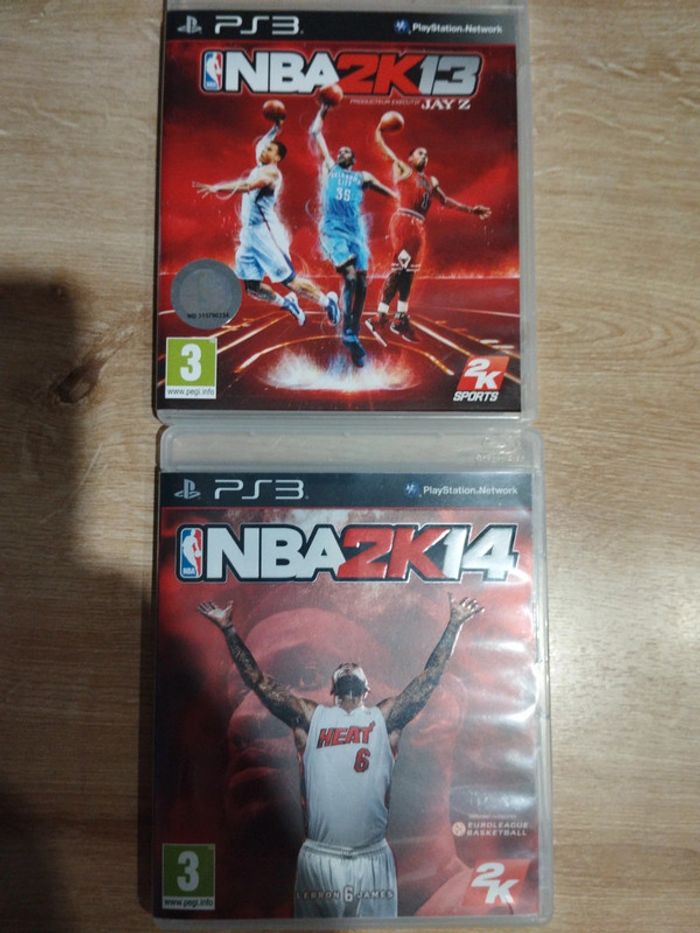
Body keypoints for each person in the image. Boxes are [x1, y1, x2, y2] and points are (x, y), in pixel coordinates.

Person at [197, 592, 483, 919]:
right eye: (238, 696)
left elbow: (429, 679)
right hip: (320, 859)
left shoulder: (381, 718)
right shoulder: (312, 716)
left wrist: (454, 625)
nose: (243, 717)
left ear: (437, 713)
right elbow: (259, 683)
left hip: (367, 856)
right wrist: (228, 630)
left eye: (307, 675)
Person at [195, 115, 339, 327]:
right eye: (264, 148)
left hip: (266, 234)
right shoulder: (261, 163)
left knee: (289, 281)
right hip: (249, 235)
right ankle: (288, 304)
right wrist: (276, 127)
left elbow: (248, 186)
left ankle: (328, 302)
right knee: (252, 287)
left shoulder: (272, 174)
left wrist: (218, 187)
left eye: (270, 149)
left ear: (277, 157)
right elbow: (262, 143)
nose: (264, 149)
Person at [371, 124, 491, 343]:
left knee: (408, 273)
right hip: (404, 222)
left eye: (426, 154)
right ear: (410, 158)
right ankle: (379, 317)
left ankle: (400, 319)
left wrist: (471, 210)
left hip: (418, 226)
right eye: (420, 153)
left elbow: (445, 201)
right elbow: (384, 150)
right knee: (398, 269)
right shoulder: (403, 169)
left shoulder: (431, 181)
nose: (424, 156)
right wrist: (379, 130)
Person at [309, 105, 396, 366]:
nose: (340, 153)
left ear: (353, 159)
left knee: (363, 284)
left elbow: (389, 193)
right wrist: (323, 109)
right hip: (333, 228)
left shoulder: (362, 177)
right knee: (348, 276)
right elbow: (316, 133)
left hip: (355, 231)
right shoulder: (331, 168)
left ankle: (352, 332)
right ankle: (347, 332)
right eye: (339, 152)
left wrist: (402, 200)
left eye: (345, 151)